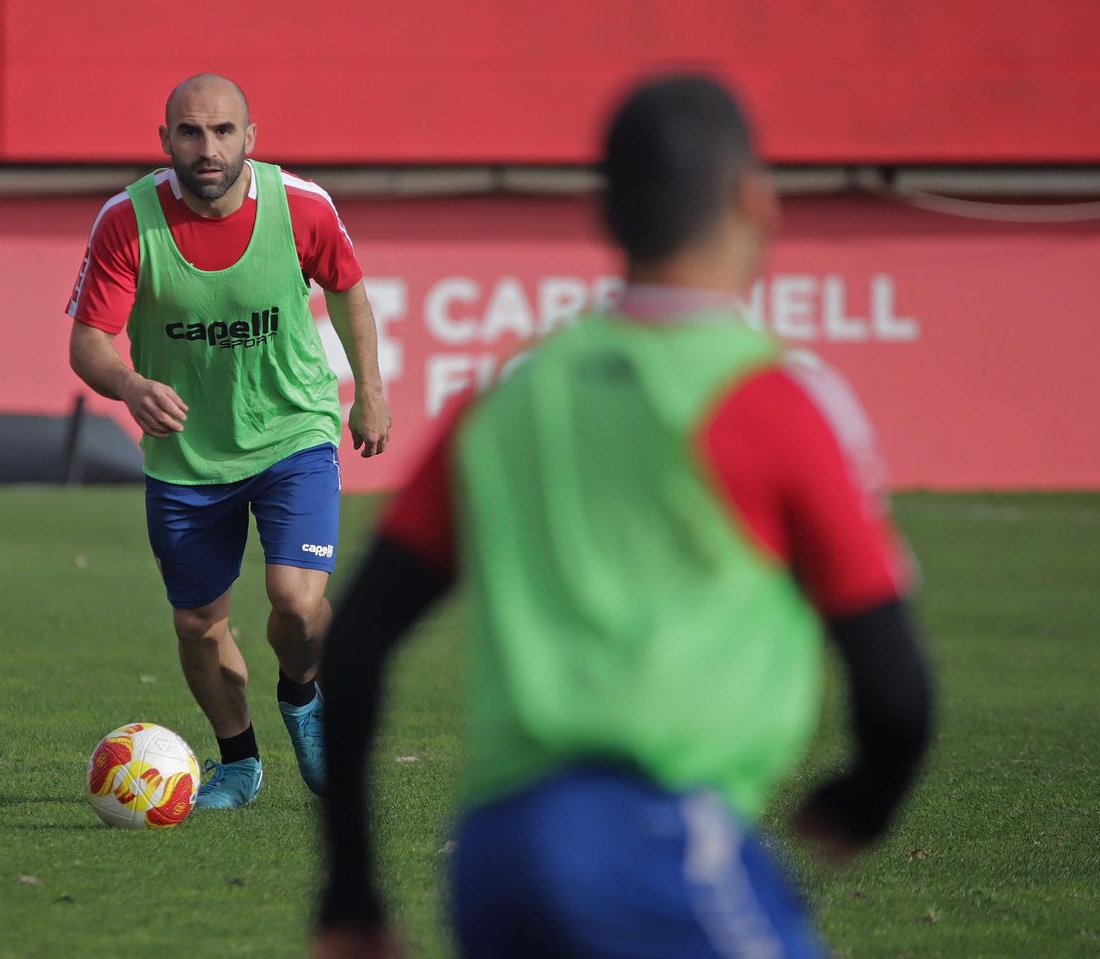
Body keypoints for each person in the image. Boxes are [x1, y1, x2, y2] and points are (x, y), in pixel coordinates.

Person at [312, 74, 934, 958]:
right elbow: (899, 693)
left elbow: (357, 641)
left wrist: (352, 891)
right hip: (658, 845)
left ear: (606, 214)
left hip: (494, 858)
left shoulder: (512, 395)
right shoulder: (775, 399)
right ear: (755, 201)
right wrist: (865, 800)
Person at [67, 73, 391, 809]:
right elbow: (89, 342)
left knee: (296, 602)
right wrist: (129, 384)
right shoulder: (128, 220)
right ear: (165, 141)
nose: (206, 147)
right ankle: (240, 763)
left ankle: (303, 693)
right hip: (187, 452)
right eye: (189, 132)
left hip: (291, 431)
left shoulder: (301, 206)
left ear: (250, 137)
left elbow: (348, 289)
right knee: (197, 625)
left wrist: (368, 392)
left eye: (221, 131)